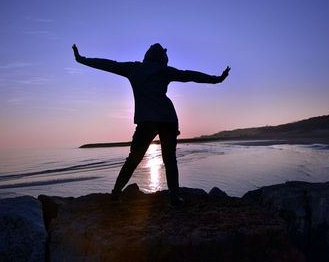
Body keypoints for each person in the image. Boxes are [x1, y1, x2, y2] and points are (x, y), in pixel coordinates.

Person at [72, 43, 230, 206]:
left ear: (147, 56)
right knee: (170, 160)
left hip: (147, 121)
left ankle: (116, 194)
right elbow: (189, 75)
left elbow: (108, 64)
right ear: (162, 58)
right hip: (168, 119)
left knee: (133, 159)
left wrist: (82, 59)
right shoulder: (163, 70)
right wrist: (216, 79)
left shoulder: (134, 68)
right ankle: (174, 198)